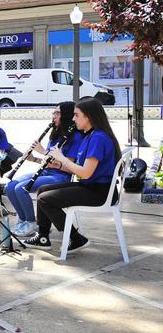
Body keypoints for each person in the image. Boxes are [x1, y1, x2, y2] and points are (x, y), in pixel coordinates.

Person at [25, 98, 121, 251]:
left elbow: (85, 173)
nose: (73, 118)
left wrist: (61, 158)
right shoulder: (90, 135)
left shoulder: (98, 138)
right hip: (91, 186)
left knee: (45, 200)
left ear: (88, 116)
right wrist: (49, 159)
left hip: (100, 192)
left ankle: (76, 239)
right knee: (43, 190)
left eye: (76, 115)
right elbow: (82, 171)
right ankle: (43, 238)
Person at [5, 102, 83, 237]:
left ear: (67, 116)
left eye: (58, 113)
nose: (54, 116)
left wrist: (42, 151)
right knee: (10, 186)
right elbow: (48, 162)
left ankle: (31, 222)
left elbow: (68, 165)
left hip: (61, 176)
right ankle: (23, 220)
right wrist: (34, 159)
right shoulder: (56, 134)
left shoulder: (75, 137)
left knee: (21, 188)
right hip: (46, 172)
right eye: (54, 113)